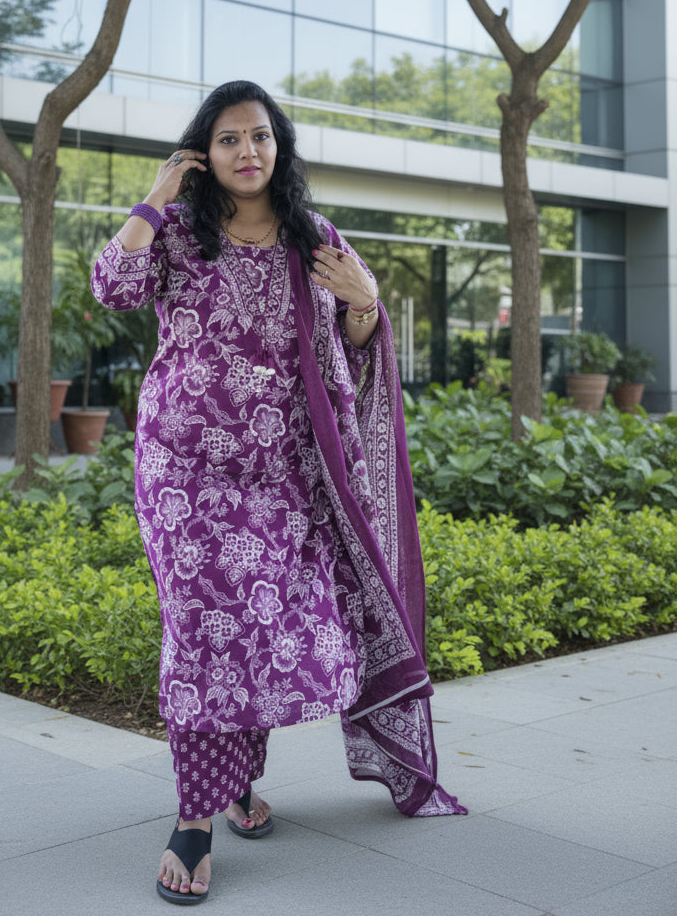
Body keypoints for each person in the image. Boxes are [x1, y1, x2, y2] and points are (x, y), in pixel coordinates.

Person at [91, 80, 465, 905]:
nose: (247, 150)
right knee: (203, 633)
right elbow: (111, 286)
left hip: (285, 480)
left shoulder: (313, 238)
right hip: (184, 475)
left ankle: (232, 781)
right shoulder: (177, 232)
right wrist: (154, 195)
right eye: (228, 138)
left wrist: (366, 303)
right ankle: (195, 818)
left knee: (258, 625)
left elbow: (354, 344)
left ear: (278, 146)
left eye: (259, 135)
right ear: (204, 153)